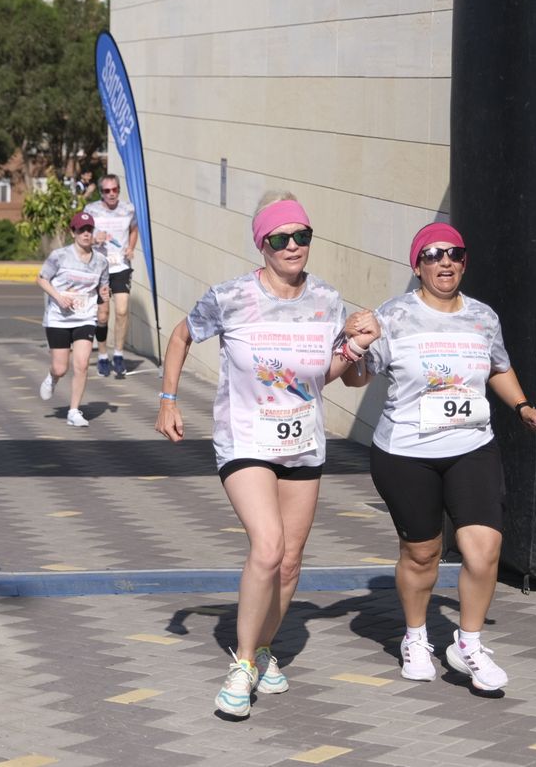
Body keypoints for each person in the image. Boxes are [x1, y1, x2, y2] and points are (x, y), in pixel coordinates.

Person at [155, 192, 379, 719]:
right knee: (269, 545)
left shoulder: (327, 301)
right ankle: (240, 665)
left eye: (302, 235)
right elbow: (183, 335)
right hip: (246, 439)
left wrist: (357, 349)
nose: (294, 246)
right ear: (263, 244)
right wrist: (167, 398)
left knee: (292, 559)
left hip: (303, 440)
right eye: (281, 238)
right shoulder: (230, 296)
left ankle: (260, 649)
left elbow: (334, 378)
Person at [341, 223, 536, 692]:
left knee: (484, 549)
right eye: (432, 255)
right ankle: (415, 637)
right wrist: (356, 345)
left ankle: (467, 643)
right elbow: (356, 380)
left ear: (464, 261)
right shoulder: (392, 317)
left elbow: (499, 365)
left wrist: (522, 406)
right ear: (418, 266)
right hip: (406, 453)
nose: (445, 262)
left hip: (471, 445)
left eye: (454, 253)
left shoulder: (483, 317)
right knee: (423, 552)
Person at [36, 211, 110, 427]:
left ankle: (74, 411)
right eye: (81, 230)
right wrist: (58, 298)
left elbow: (103, 288)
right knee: (61, 367)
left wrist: (105, 295)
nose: (86, 234)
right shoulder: (60, 256)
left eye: (89, 229)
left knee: (82, 364)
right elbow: (41, 279)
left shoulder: (101, 262)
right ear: (73, 232)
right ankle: (52, 377)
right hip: (58, 318)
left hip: (85, 317)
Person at [84, 174, 138, 379]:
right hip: (99, 268)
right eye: (107, 191)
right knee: (103, 315)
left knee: (122, 310)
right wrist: (93, 238)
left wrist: (131, 248)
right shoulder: (91, 210)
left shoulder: (128, 209)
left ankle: (119, 355)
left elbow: (134, 228)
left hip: (121, 266)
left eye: (115, 189)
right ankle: (103, 356)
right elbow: (82, 235)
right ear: (101, 193)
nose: (111, 194)